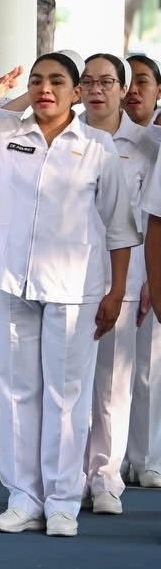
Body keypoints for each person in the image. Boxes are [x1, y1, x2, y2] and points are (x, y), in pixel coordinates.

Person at [0, 53, 138, 537]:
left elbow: (120, 227)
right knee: (18, 392)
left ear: (76, 92)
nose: (45, 89)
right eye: (37, 80)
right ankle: (23, 499)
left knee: (65, 396)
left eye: (57, 81)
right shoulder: (1, 132)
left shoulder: (98, 147)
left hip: (74, 288)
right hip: (10, 280)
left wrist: (117, 290)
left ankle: (62, 502)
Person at [73, 54, 156, 515]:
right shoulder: (65, 134)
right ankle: (68, 475)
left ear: (123, 90)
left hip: (124, 278)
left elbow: (150, 218)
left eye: (107, 82)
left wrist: (150, 279)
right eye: (88, 82)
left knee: (112, 385)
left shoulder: (146, 144)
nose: (96, 90)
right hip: (67, 278)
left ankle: (105, 478)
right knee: (68, 383)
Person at [124, 53, 161, 488]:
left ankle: (148, 458)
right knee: (110, 371)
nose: (134, 90)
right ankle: (109, 460)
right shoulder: (99, 135)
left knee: (149, 366)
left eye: (143, 82)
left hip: (152, 263)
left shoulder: (157, 142)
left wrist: (154, 275)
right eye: (127, 81)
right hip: (111, 263)